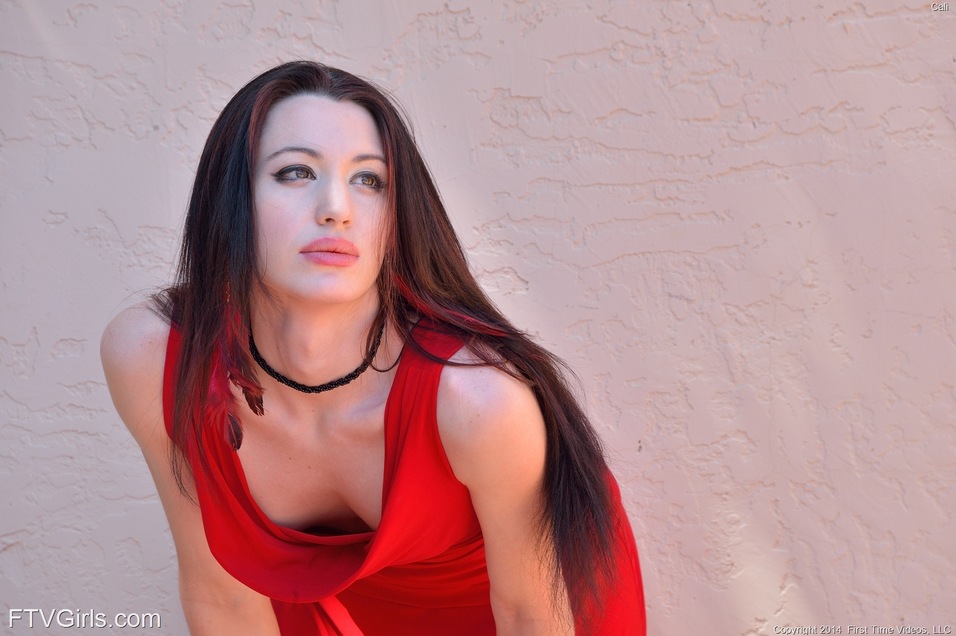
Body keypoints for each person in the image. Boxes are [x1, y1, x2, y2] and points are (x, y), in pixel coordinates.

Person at [101, 60, 645, 635]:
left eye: (369, 180)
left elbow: (530, 615)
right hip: (324, 613)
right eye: (295, 172)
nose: (336, 208)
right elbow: (222, 597)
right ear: (229, 200)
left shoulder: (479, 401)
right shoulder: (156, 359)